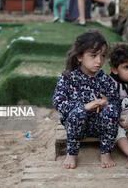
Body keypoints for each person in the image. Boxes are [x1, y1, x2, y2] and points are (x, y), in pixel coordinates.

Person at [52, 30, 120, 169]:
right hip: (76, 125)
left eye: (102, 56)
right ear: (79, 57)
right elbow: (58, 102)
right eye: (93, 55)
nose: (99, 61)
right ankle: (71, 154)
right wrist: (84, 107)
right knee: (79, 113)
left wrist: (107, 103)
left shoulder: (105, 79)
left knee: (112, 110)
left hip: (99, 126)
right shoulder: (68, 77)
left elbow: (116, 102)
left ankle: (106, 153)